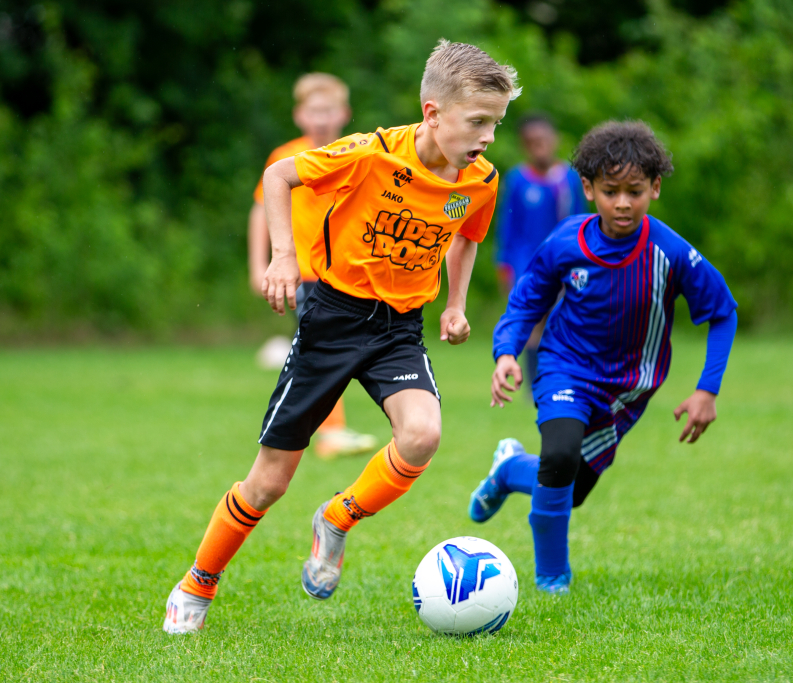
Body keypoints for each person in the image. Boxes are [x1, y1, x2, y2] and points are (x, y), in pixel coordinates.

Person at [163, 40, 520, 633]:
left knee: (423, 434)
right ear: (433, 113)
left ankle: (336, 518)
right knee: (269, 482)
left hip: (398, 329)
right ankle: (197, 584)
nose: (488, 137)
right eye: (478, 122)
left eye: (496, 124)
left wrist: (456, 304)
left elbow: (467, 235)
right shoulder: (370, 153)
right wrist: (283, 256)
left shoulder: (481, 179)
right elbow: (279, 176)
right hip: (331, 320)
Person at [468, 121, 738, 594]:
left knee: (569, 490)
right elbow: (526, 302)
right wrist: (506, 352)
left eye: (635, 191)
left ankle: (509, 469)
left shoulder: (670, 252)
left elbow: (723, 312)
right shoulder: (565, 242)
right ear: (589, 189)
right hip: (563, 366)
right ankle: (553, 578)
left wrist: (706, 390)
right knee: (559, 456)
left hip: (627, 390)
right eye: (611, 192)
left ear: (655, 188)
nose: (623, 203)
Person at [249, 72, 378, 460]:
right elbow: (260, 211)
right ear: (299, 115)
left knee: (324, 345)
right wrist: (260, 264)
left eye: (328, 110)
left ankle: (314, 426)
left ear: (344, 113)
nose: (321, 119)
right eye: (314, 111)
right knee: (322, 342)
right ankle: (330, 431)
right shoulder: (285, 157)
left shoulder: (356, 154)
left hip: (344, 273)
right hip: (302, 271)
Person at [494, 115, 587, 388]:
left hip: (564, 262)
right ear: (524, 146)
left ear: (555, 140)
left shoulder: (568, 180)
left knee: (564, 320)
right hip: (527, 264)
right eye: (532, 143)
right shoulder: (517, 180)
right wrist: (504, 264)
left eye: (543, 141)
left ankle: (561, 379)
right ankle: (533, 385)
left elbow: (580, 221)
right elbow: (508, 226)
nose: (539, 148)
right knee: (533, 320)